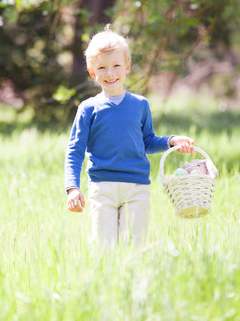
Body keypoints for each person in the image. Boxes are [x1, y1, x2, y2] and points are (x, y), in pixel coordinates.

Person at [65, 25, 194, 245]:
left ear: (127, 66)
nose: (110, 72)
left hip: (136, 187)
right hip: (102, 186)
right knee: (103, 247)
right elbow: (75, 151)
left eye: (116, 65)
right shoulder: (88, 108)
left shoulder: (140, 105)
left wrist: (171, 141)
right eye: (102, 67)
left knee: (134, 246)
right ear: (92, 72)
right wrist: (72, 188)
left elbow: (147, 142)